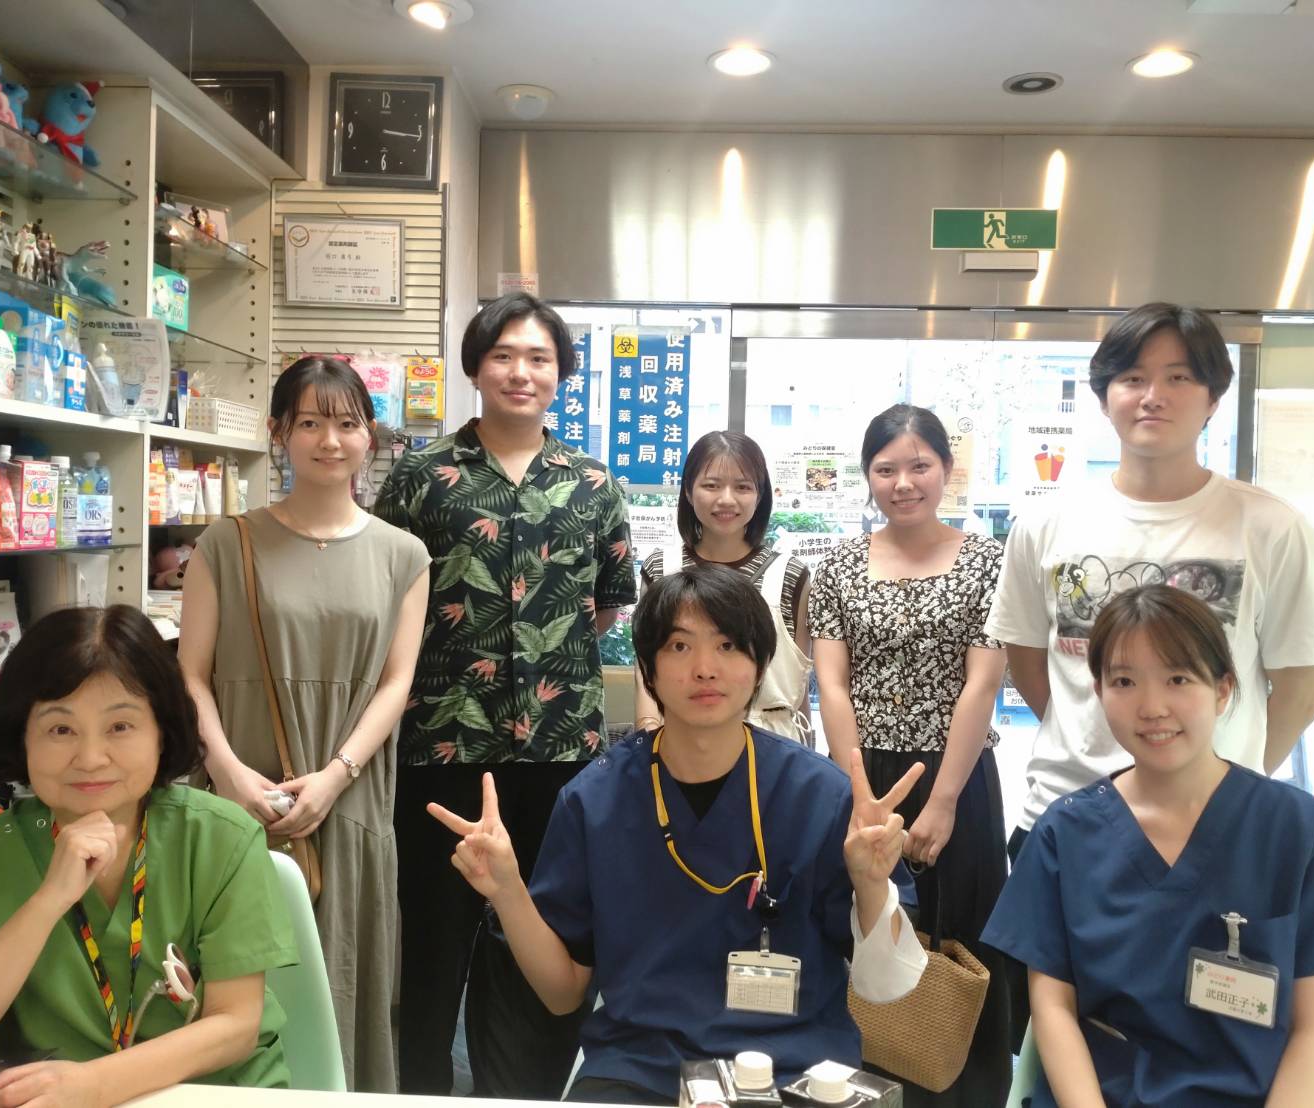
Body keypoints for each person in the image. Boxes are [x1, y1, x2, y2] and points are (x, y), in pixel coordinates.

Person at [429, 565, 929, 1105]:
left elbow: (887, 987)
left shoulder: (821, 796)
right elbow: (562, 994)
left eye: (728, 645)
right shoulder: (595, 801)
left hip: (794, 1068)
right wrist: (507, 890)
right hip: (640, 1069)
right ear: (647, 669)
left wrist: (871, 884)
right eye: (679, 646)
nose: (705, 669)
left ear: (759, 665)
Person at [982, 584, 1314, 1106]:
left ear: (1222, 689)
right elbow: (1052, 1008)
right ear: (1099, 692)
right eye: (1124, 681)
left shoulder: (1304, 834)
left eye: (1178, 679)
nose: (1152, 707)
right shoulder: (1065, 835)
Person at [375, 292, 636, 1095]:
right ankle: (422, 1091)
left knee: (547, 943)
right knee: (433, 941)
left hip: (559, 756)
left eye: (539, 359)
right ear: (476, 367)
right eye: (504, 356)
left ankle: (526, 1093)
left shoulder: (593, 484)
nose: (521, 372)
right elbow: (387, 597)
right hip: (442, 747)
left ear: (560, 374)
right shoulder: (421, 477)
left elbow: (605, 607)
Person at [987, 302, 1314, 863]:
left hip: (1216, 826)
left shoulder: (1274, 528)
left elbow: (1300, 690)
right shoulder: (1045, 524)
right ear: (1104, 399)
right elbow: (1028, 660)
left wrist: (1230, 782)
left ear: (1213, 399)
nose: (1153, 396)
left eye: (1179, 378)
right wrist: (1089, 740)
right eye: (1132, 378)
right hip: (1065, 815)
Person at [0, 606, 297, 1103]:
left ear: (162, 732)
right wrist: (47, 900)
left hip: (212, 1094)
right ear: (21, 737)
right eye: (60, 730)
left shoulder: (221, 838)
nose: (91, 759)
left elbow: (236, 1025)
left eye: (120, 726)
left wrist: (94, 1085)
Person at [179, 355, 429, 1093]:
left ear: (369, 436)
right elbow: (190, 676)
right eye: (310, 422)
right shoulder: (227, 542)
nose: (330, 440)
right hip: (240, 791)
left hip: (348, 794)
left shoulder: (403, 554)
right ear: (278, 432)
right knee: (235, 974)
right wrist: (229, 774)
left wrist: (335, 777)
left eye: (347, 423)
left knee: (342, 971)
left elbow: (397, 681)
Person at [809, 404, 1012, 1105]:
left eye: (919, 466)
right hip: (864, 774)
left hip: (959, 774)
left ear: (946, 470)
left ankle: (966, 1089)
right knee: (866, 925)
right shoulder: (838, 565)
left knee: (964, 934)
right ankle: (865, 1079)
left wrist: (945, 801)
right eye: (885, 468)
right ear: (867, 476)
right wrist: (856, 790)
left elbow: (982, 683)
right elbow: (832, 684)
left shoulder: (987, 562)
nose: (903, 482)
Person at [636, 430, 813, 744]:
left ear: (760, 495)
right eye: (711, 485)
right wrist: (648, 733)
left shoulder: (790, 575)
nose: (727, 499)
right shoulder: (661, 569)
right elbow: (645, 669)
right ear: (688, 491)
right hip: (679, 741)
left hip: (770, 745)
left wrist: (806, 755)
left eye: (743, 487)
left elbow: (796, 682)